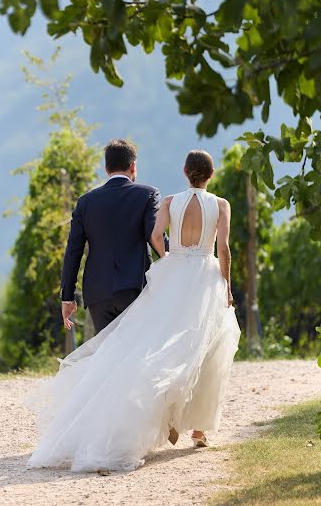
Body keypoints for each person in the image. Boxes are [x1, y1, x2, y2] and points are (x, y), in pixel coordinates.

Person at [27, 149, 240, 472]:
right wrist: (224, 281)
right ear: (210, 174)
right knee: (202, 348)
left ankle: (126, 424)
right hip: (182, 280)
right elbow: (217, 247)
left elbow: (150, 237)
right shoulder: (206, 203)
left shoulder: (155, 201)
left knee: (136, 355)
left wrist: (171, 263)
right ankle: (196, 426)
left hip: (128, 284)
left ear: (184, 171)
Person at [60, 138, 167, 334]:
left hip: (98, 293)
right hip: (134, 288)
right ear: (133, 166)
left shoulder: (85, 202)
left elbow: (73, 251)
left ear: (106, 168)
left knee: (107, 354)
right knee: (136, 350)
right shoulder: (147, 194)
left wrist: (67, 296)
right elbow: (155, 235)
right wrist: (177, 259)